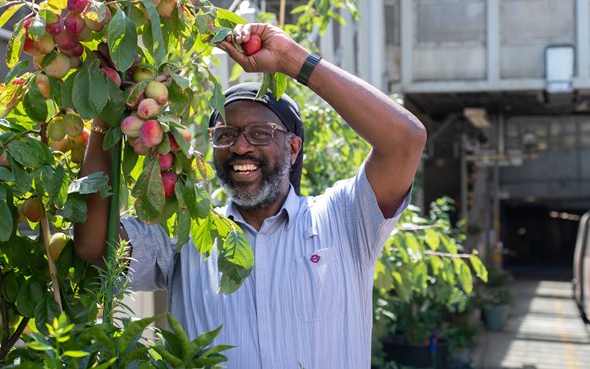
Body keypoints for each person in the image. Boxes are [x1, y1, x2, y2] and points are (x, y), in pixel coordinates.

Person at [75, 23, 427, 369]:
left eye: (261, 133)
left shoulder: (342, 219)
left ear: (293, 146)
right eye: (225, 134)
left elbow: (405, 141)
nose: (240, 146)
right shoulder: (187, 236)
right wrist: (107, 111)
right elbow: (94, 244)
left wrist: (293, 60)